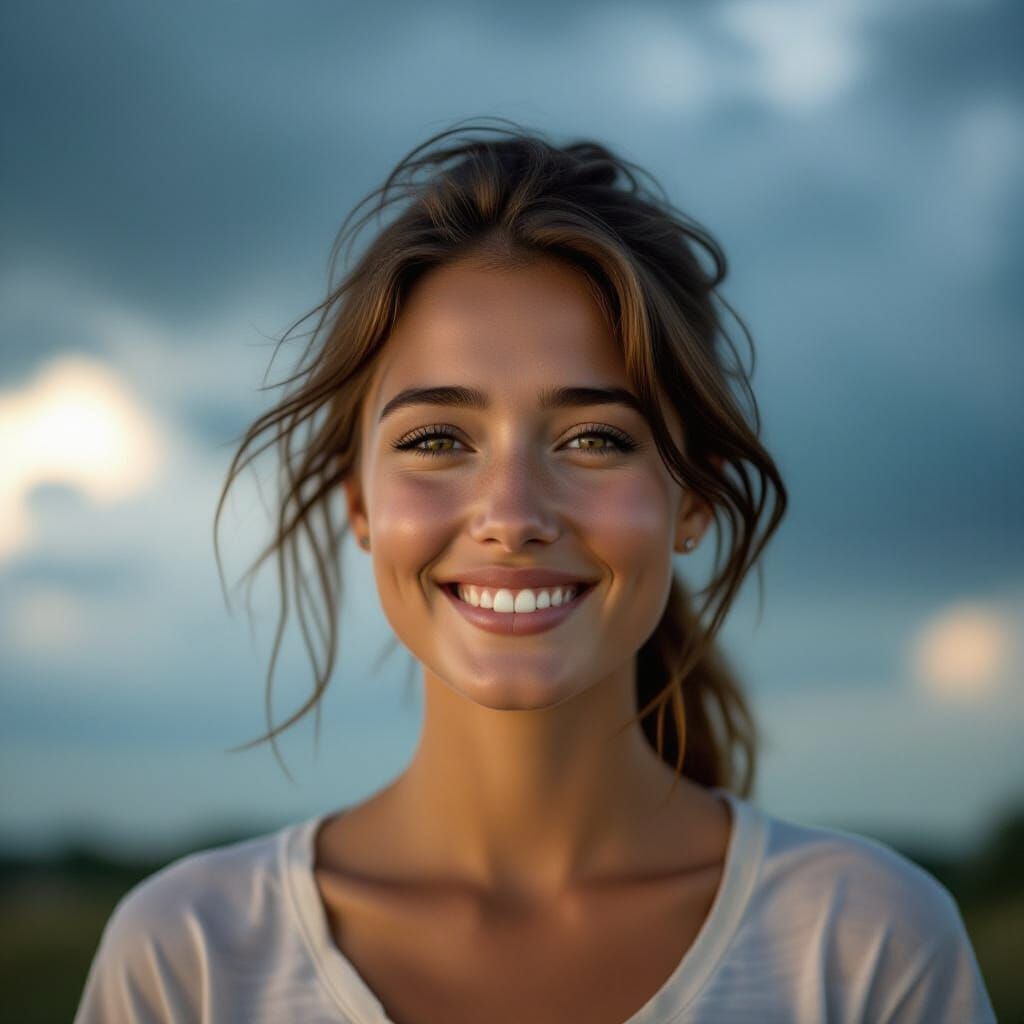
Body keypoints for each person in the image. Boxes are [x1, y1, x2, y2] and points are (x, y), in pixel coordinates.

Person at [73, 119, 996, 1023]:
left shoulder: (868, 945)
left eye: (595, 438)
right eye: (437, 439)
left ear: (696, 499)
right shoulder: (188, 957)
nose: (512, 515)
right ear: (359, 502)